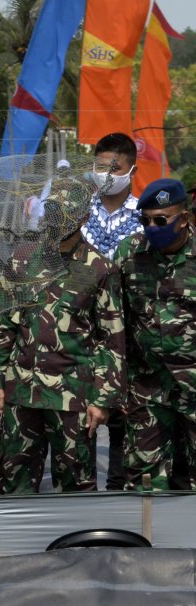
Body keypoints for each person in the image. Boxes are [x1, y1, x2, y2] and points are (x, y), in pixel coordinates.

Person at [0, 200, 125, 493]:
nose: (57, 223)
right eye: (53, 216)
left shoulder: (100, 268)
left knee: (76, 483)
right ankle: (14, 538)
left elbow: (111, 340)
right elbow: (2, 324)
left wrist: (102, 399)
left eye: (65, 216)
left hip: (73, 398)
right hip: (20, 392)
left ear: (83, 216)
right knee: (13, 482)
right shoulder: (22, 260)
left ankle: (77, 541)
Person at [115, 177, 196, 491]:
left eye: (161, 220)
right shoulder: (130, 253)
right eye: (144, 219)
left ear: (184, 219)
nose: (152, 226)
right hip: (147, 387)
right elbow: (112, 317)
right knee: (143, 482)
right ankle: (151, 539)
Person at [80, 132, 140, 490]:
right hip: (82, 334)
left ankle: (119, 492)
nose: (105, 175)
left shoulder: (147, 216)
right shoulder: (77, 213)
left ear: (131, 169)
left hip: (129, 334)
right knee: (80, 421)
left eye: (113, 168)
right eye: (100, 167)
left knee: (125, 422)